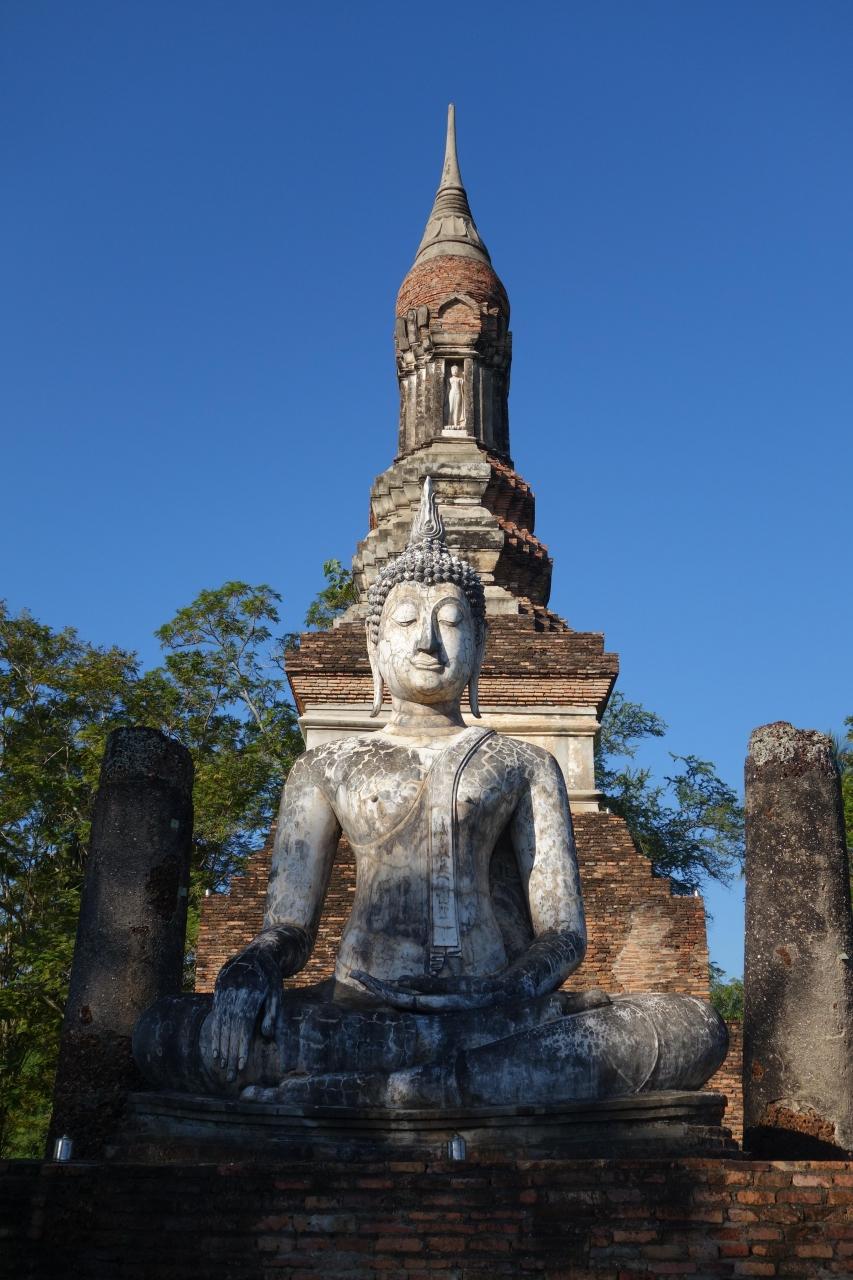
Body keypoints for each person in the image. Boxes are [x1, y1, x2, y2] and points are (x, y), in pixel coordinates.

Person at [134, 480, 726, 1108]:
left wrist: (502, 990)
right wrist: (251, 967)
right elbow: (289, 926)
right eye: (407, 621)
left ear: (480, 644)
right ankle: (443, 1084)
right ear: (374, 644)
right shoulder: (326, 767)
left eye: (448, 621)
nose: (427, 642)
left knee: (691, 1028)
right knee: (164, 1033)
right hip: (357, 1011)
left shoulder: (524, 763)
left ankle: (398, 1091)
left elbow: (561, 933)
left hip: (492, 1012)